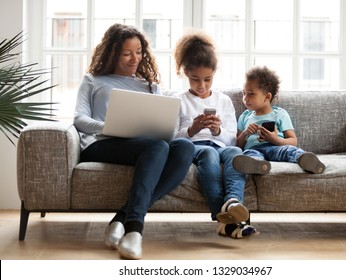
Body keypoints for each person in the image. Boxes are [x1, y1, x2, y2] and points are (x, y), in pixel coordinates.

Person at [73, 23, 194, 260]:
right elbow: (79, 118)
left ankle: (121, 217)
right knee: (157, 146)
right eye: (127, 53)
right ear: (112, 53)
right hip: (101, 143)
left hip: (143, 145)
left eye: (138, 52)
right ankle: (135, 230)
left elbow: (165, 125)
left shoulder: (151, 86)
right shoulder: (93, 80)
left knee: (184, 147)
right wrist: (111, 127)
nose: (134, 59)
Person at [173, 30, 257, 239]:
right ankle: (224, 216)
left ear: (214, 75)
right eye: (195, 79)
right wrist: (192, 130)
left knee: (236, 152)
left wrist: (217, 130)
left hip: (220, 145)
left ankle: (232, 202)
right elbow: (172, 138)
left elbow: (231, 139)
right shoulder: (178, 100)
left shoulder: (224, 101)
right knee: (209, 155)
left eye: (207, 79)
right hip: (196, 147)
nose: (202, 86)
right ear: (185, 73)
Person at [233, 66, 325, 175]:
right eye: (244, 93)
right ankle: (258, 165)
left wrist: (275, 139)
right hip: (254, 149)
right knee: (249, 154)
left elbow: (293, 141)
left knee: (288, 151)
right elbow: (238, 145)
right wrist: (245, 133)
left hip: (276, 147)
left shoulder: (280, 114)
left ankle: (306, 160)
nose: (245, 98)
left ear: (267, 97)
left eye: (251, 94)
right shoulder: (245, 116)